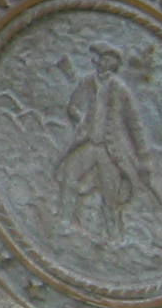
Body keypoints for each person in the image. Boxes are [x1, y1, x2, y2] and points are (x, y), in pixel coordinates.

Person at [54, 45, 154, 239]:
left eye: (109, 60)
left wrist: (144, 156)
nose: (104, 62)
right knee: (70, 176)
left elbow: (134, 123)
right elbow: (72, 107)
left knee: (110, 194)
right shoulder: (87, 82)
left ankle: (113, 236)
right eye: (101, 58)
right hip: (88, 143)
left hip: (110, 149)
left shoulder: (121, 89)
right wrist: (80, 120)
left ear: (115, 64)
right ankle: (65, 221)